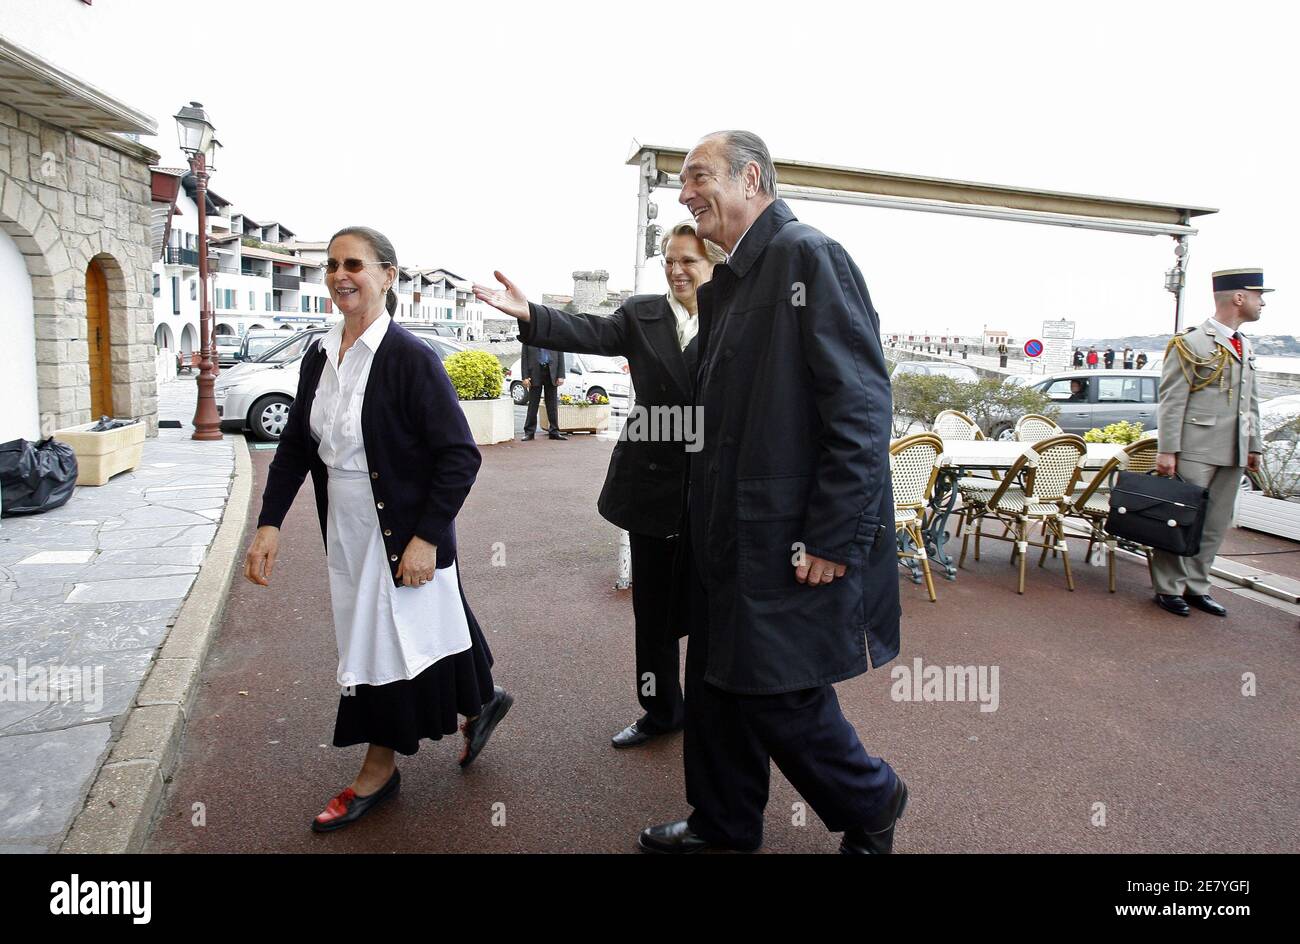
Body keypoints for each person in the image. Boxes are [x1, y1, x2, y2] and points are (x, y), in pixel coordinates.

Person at [637, 131, 904, 855]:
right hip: (729, 530)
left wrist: (831, 536)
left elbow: (860, 409)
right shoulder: (735, 278)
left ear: (750, 178)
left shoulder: (807, 255)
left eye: (699, 177)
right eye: (682, 182)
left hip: (787, 533)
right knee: (721, 682)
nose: (686, 193)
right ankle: (723, 824)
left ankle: (873, 799)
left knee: (780, 691)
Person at [243, 225, 512, 832]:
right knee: (416, 630)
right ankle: (482, 700)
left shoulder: (410, 359)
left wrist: (424, 539)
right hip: (346, 524)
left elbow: (459, 455)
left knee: (380, 646)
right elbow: (296, 447)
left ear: (388, 276)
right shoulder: (319, 354)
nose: (341, 275)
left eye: (355, 264)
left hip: (401, 528)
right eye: (333, 265)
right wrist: (269, 524)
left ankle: (378, 772)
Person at [474, 222, 724, 749]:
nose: (677, 271)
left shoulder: (737, 316)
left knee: (712, 612)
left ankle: (712, 717)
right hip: (651, 483)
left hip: (712, 487)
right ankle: (660, 711)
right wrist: (530, 314)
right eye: (669, 261)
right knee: (652, 611)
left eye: (689, 262)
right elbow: (588, 331)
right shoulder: (641, 313)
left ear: (715, 264)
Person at [1151, 268, 1268, 618]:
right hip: (1196, 447)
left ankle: (1197, 586)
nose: (1262, 302)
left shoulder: (1243, 344)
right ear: (1238, 297)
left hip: (1232, 449)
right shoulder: (1190, 343)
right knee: (1181, 519)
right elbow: (1172, 400)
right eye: (1258, 295)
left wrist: (1254, 445)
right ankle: (1168, 588)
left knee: (1216, 524)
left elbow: (1251, 402)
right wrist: (1167, 450)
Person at [520, 342, 568, 441]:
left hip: (552, 372)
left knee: (552, 405)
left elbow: (560, 355)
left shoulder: (554, 337)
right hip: (534, 373)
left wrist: (561, 375)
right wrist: (524, 377)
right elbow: (524, 358)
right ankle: (529, 432)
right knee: (533, 404)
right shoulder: (529, 337)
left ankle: (554, 431)